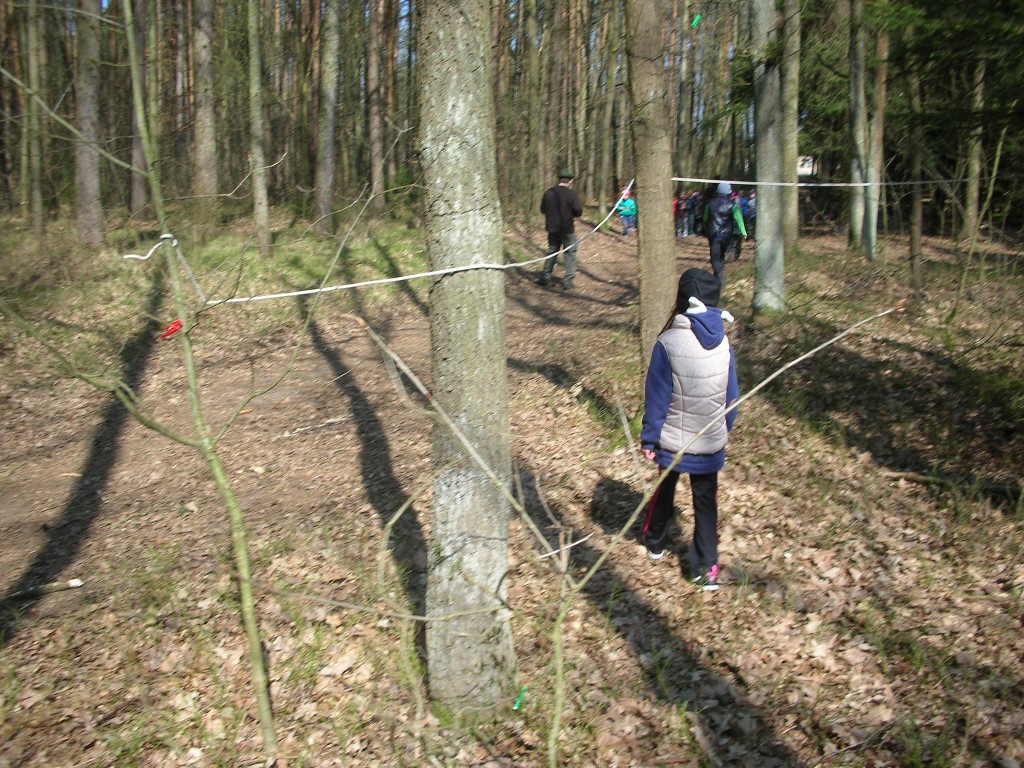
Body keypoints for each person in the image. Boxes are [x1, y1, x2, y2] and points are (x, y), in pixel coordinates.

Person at [639, 268, 739, 591]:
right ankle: (706, 568)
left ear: (681, 301)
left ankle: (655, 541)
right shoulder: (723, 343)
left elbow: (657, 397)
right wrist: (724, 428)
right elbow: (732, 396)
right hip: (709, 442)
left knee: (664, 489)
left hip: (672, 442)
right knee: (706, 503)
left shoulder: (668, 342)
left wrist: (650, 438)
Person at [539, 168, 584, 289]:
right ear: (570, 181)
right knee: (570, 252)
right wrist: (571, 214)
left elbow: (542, 209)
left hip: (552, 228)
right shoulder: (572, 194)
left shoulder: (548, 193)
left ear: (559, 180)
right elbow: (578, 211)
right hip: (567, 229)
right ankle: (568, 280)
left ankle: (545, 275)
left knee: (552, 251)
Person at [703, 182, 746, 287]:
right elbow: (739, 219)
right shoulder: (733, 205)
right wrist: (743, 232)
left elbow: (705, 219)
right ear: (729, 192)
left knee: (715, 258)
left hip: (714, 235)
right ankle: (718, 282)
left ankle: (720, 275)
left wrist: (706, 230)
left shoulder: (710, 203)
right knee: (721, 257)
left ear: (717, 191)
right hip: (727, 236)